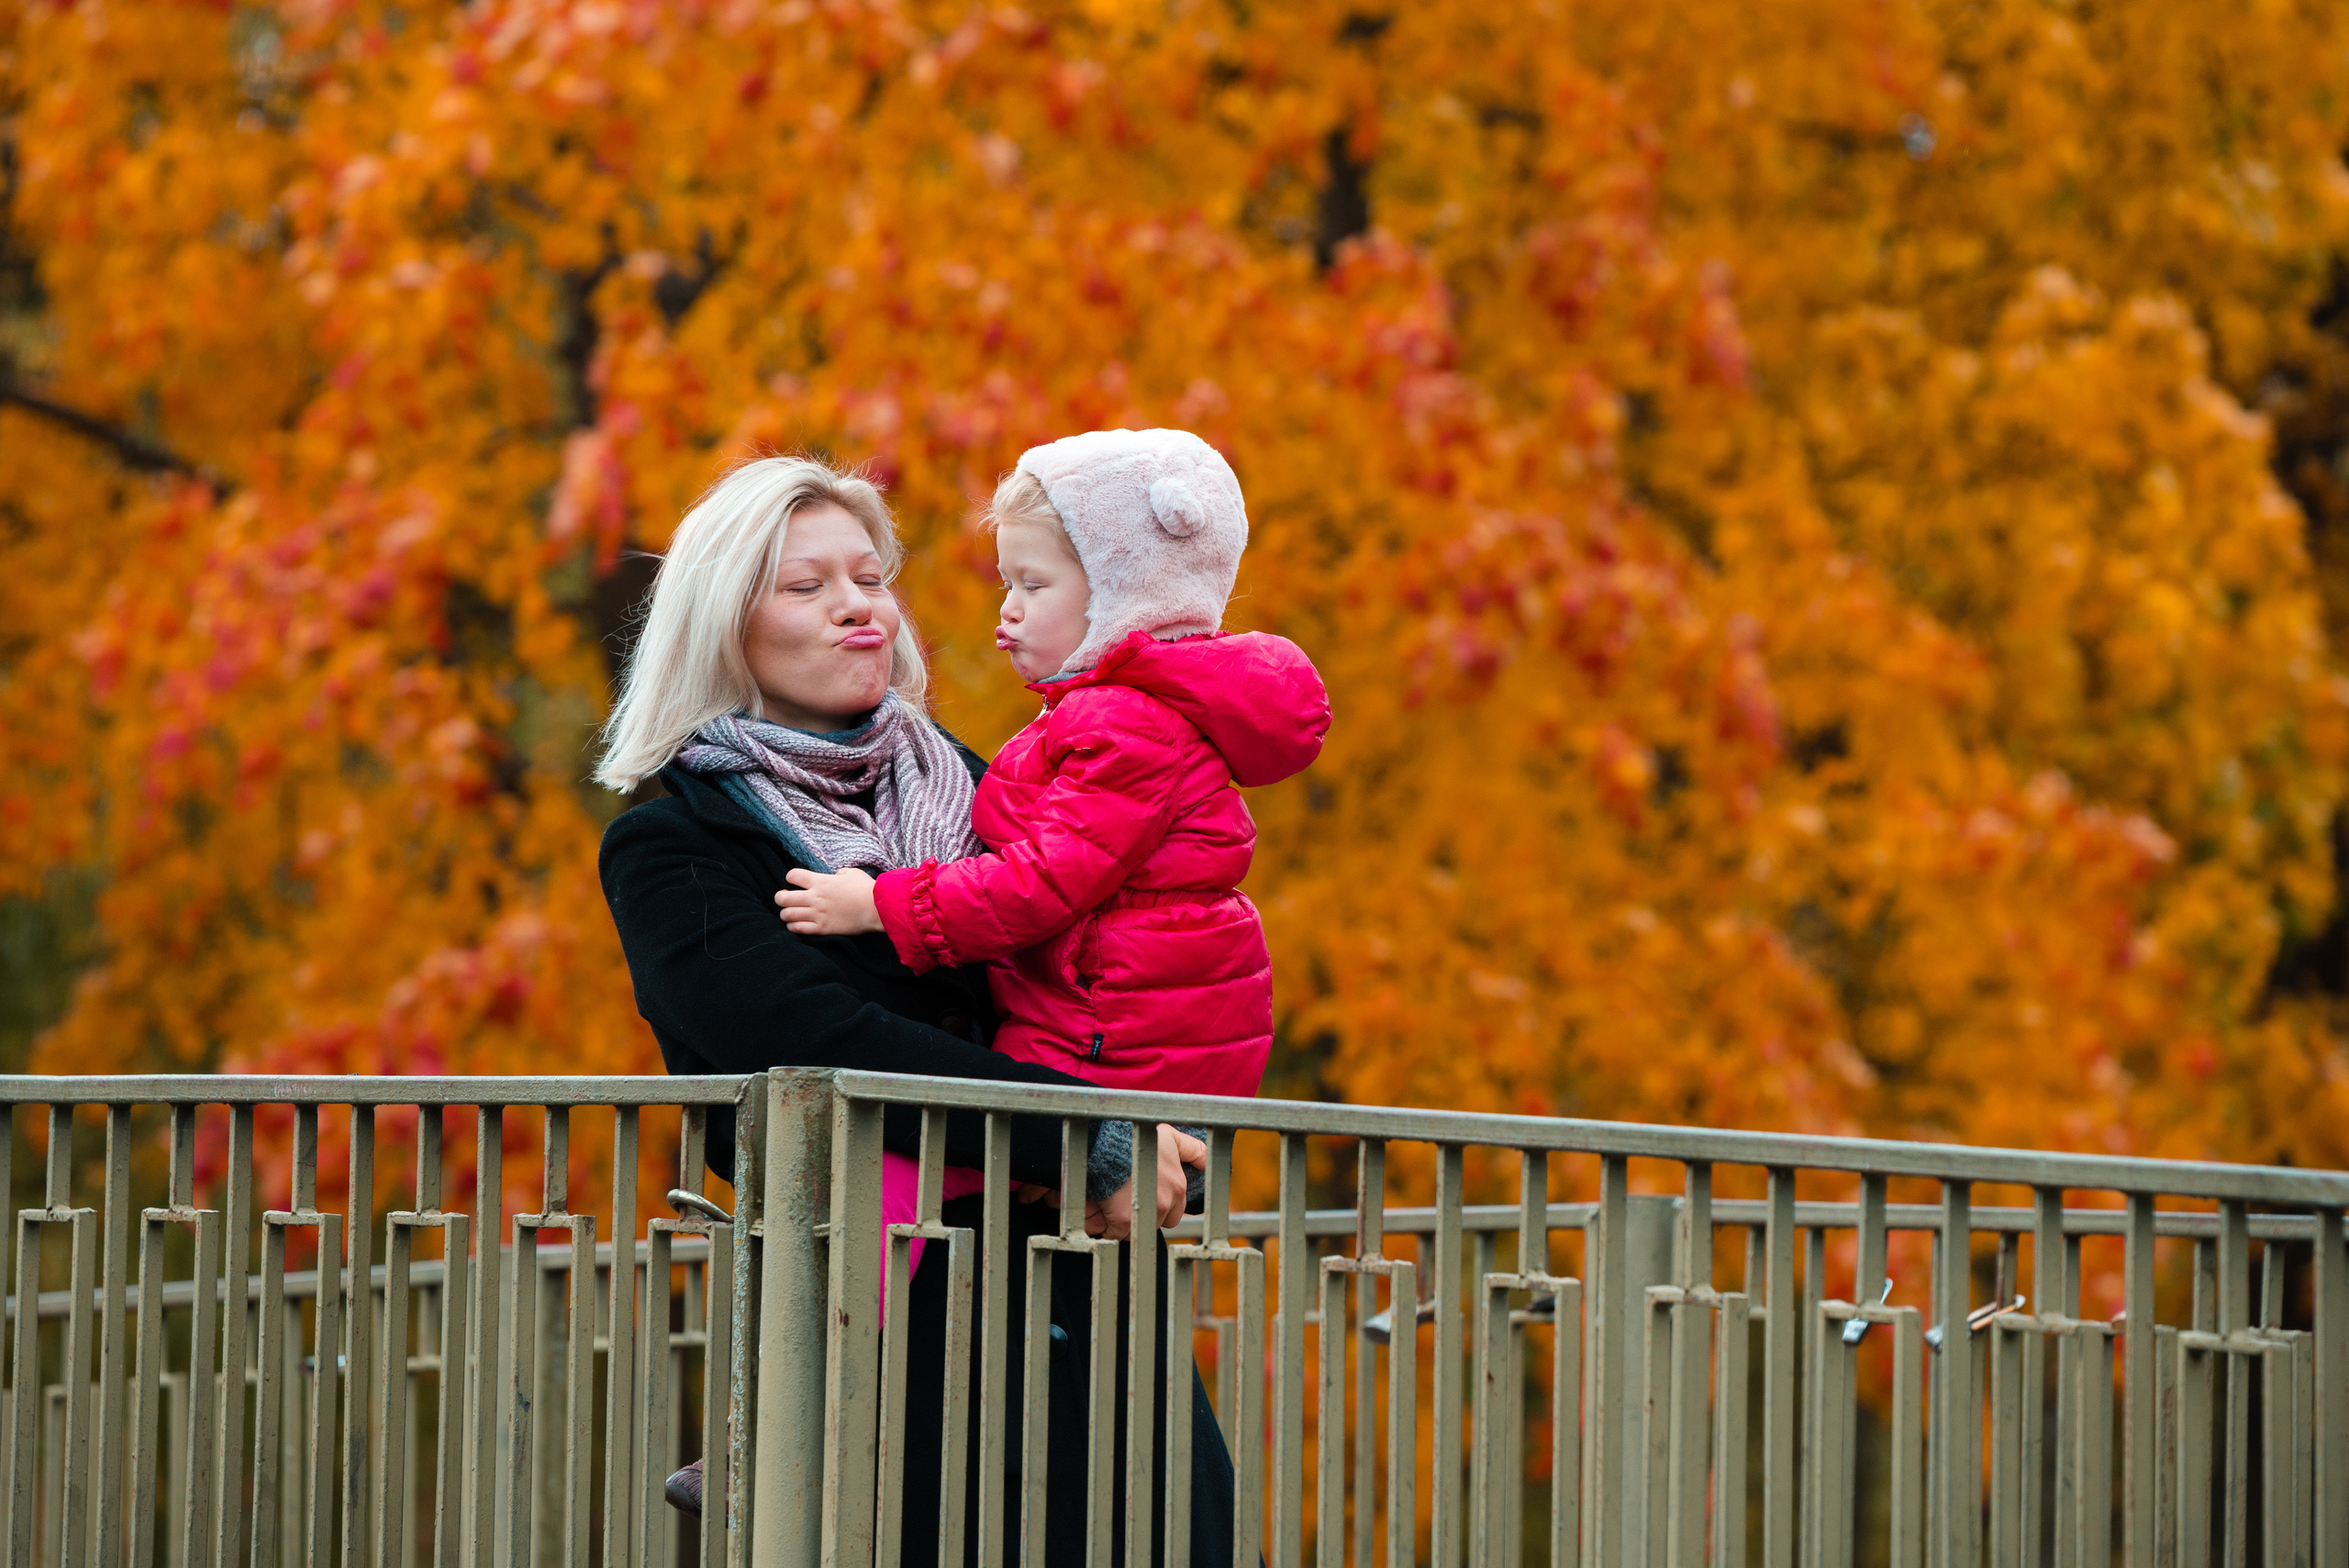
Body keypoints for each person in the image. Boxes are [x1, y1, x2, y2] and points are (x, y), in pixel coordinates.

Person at [593, 454, 1230, 1564]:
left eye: (870, 575)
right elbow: (806, 1039)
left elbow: (1099, 969)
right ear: (720, 628)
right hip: (883, 1326)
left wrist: (1154, 1109)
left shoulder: (994, 791)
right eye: (806, 585)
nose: (858, 604)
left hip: (1079, 1277)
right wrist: (1086, 1131)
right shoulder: (676, 845)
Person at [775, 429, 1330, 1232]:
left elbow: (1041, 881)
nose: (1009, 607)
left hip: (1111, 1036)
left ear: (1120, 595)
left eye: (1032, 583)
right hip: (1107, 1018)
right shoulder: (1105, 715)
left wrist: (881, 905)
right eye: (1008, 581)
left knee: (912, 1187)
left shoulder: (1124, 726)